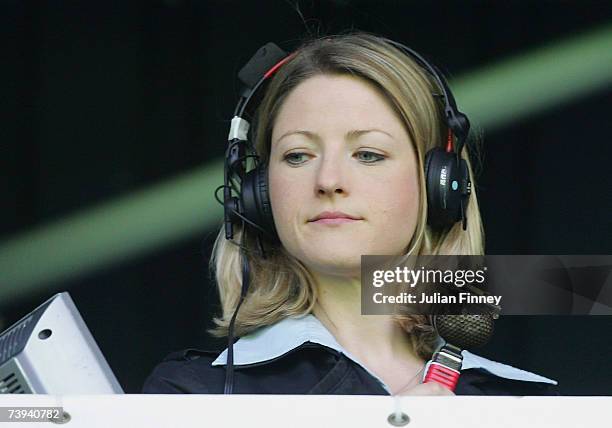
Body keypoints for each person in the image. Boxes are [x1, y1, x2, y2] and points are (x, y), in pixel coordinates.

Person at [143, 33, 558, 395]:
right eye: (298, 155)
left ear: (440, 186)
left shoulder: (526, 408)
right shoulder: (191, 396)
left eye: (368, 154)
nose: (328, 180)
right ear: (257, 193)